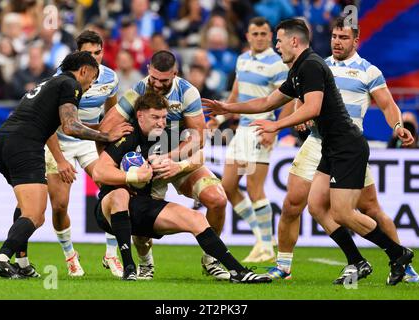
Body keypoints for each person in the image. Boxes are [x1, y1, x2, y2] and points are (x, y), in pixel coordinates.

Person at [202, 18, 415, 286]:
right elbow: (269, 101)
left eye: (278, 40)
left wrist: (276, 125)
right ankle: (360, 260)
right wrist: (228, 109)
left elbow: (313, 108)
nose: (275, 46)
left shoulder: (313, 66)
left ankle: (398, 254)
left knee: (346, 213)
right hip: (329, 143)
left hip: (347, 146)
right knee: (314, 205)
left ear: (294, 41)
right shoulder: (303, 67)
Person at [272, 17, 419, 284]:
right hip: (318, 141)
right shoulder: (318, 64)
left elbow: (387, 105)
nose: (337, 42)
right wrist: (300, 115)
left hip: (347, 145)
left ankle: (401, 262)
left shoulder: (368, 71)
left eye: (343, 38)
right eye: (334, 37)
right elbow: (300, 99)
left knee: (371, 208)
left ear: (355, 40)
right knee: (296, 203)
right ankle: (285, 265)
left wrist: (397, 125)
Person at [92, 91, 271, 283]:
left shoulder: (167, 135)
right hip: (110, 211)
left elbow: (199, 156)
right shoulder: (126, 135)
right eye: (155, 117)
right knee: (120, 194)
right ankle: (129, 268)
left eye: (163, 117)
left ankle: (238, 272)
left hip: (144, 204)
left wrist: (178, 164)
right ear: (140, 115)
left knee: (196, 218)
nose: (161, 122)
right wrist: (133, 176)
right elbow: (99, 172)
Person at [0, 51, 131, 279]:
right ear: (84, 70)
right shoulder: (70, 84)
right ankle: (1, 258)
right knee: (36, 214)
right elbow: (71, 126)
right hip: (25, 145)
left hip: (1, 142)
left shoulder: (50, 81)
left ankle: (22, 262)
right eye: (92, 78)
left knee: (26, 207)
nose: (91, 84)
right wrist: (105, 136)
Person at [99, 50, 230, 281]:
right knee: (142, 220)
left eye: (164, 81)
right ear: (148, 69)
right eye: (154, 79)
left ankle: (211, 259)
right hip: (147, 163)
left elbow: (198, 139)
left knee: (217, 198)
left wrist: (173, 158)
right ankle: (145, 263)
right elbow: (106, 128)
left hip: (177, 159)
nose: (157, 85)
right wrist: (112, 142)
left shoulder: (187, 92)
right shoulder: (138, 90)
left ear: (175, 74)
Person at [206, 17, 288, 263]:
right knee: (228, 186)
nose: (260, 37)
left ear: (271, 36)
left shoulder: (277, 63)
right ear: (248, 36)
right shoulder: (242, 59)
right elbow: (236, 95)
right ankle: (263, 237)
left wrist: (274, 129)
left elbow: (290, 99)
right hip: (242, 128)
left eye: (264, 33)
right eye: (256, 33)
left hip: (261, 128)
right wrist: (220, 118)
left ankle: (265, 245)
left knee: (254, 188)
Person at [45, 30, 125, 277]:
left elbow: (111, 113)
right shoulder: (62, 78)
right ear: (77, 55)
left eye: (98, 52)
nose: (94, 58)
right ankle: (70, 254)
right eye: (88, 54)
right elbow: (50, 121)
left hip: (90, 142)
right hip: (62, 142)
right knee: (59, 205)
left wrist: (107, 141)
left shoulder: (110, 77)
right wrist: (59, 159)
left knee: (113, 189)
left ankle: (111, 253)